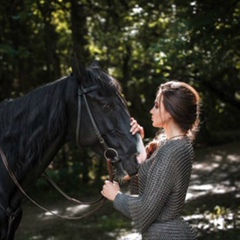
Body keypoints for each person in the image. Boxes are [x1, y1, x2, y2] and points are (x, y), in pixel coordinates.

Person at [101, 80, 201, 240]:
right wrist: (136, 140)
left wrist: (116, 196)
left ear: (170, 111)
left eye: (156, 105)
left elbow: (146, 209)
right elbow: (143, 187)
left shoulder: (174, 150)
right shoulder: (170, 145)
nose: (151, 110)